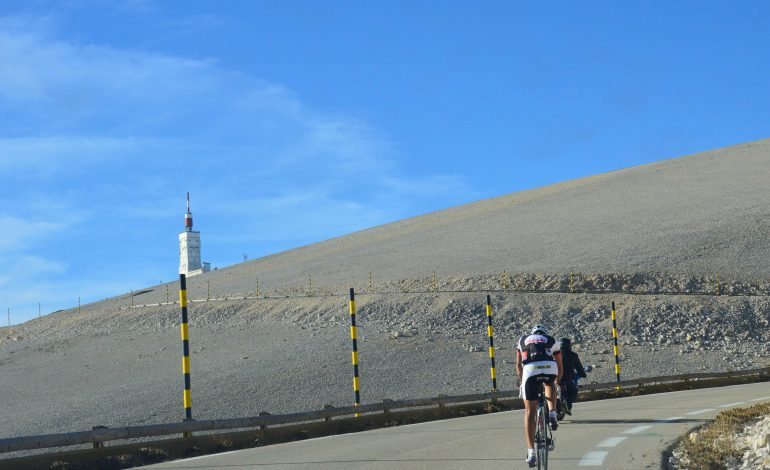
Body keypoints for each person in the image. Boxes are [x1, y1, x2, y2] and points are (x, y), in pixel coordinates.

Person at [516, 324, 563, 467]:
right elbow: (560, 366)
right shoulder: (552, 339)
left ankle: (531, 452)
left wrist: (522, 381)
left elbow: (518, 365)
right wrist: (556, 382)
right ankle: (553, 414)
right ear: (545, 333)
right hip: (550, 367)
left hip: (530, 370)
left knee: (530, 412)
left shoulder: (522, 339)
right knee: (550, 383)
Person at [558, 337, 587, 416]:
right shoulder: (573, 355)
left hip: (555, 380)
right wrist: (583, 374)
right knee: (573, 391)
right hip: (567, 380)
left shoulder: (554, 354)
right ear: (568, 345)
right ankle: (567, 403)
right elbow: (579, 368)